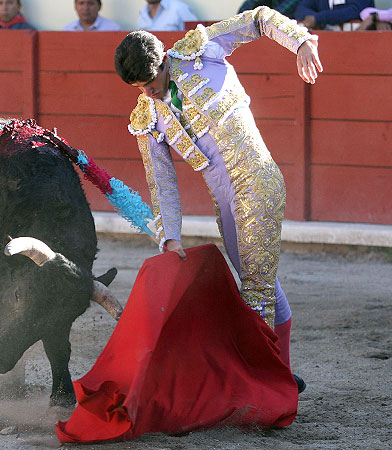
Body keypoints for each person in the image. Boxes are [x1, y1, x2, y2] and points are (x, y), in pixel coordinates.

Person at [114, 6, 323, 387]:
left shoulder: (201, 49)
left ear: (163, 61)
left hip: (257, 179)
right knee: (259, 281)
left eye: (150, 82)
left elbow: (258, 18)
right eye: (139, 87)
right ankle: (281, 377)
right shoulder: (147, 116)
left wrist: (301, 42)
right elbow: (161, 180)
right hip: (225, 201)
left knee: (255, 292)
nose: (148, 92)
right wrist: (170, 236)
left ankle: (264, 386)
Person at [294, 0, 374, 30]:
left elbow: (354, 11)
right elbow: (301, 9)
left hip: (359, 43)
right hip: (328, 43)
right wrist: (313, 18)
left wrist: (318, 19)